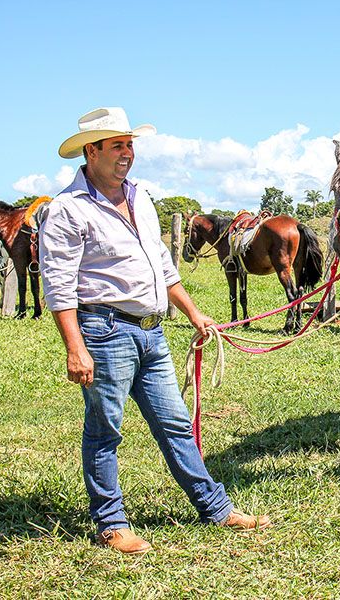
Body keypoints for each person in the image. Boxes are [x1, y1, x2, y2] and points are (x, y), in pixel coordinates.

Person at [39, 107, 270, 555]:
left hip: (152, 332)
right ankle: (111, 524)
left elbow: (163, 265)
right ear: (91, 152)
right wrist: (75, 348)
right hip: (104, 331)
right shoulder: (68, 209)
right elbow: (59, 285)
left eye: (130, 144)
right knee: (105, 430)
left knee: (175, 424)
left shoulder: (140, 197)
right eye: (117, 145)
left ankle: (216, 509)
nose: (128, 153)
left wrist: (194, 313)